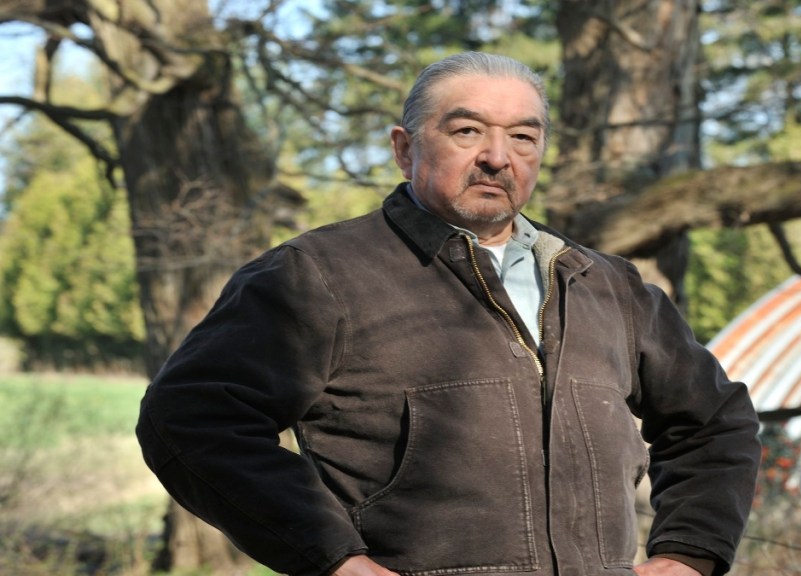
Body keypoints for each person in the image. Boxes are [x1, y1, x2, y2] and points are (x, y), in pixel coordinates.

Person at [136, 51, 761, 576]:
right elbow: (190, 419)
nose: (498, 156)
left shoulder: (606, 286)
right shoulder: (317, 275)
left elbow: (715, 422)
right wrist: (333, 559)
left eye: (523, 137)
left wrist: (689, 553)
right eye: (467, 131)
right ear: (404, 148)